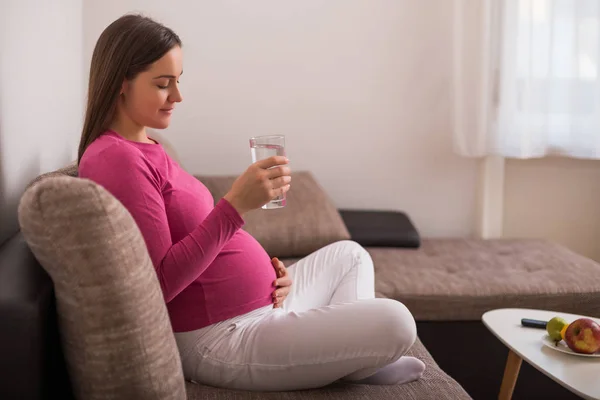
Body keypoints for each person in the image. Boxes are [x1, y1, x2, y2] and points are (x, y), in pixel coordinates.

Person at [77, 14, 425, 392]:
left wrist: (269, 275)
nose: (178, 97)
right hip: (219, 337)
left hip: (261, 309)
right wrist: (234, 206)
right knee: (397, 321)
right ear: (121, 84)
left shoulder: (147, 147)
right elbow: (158, 285)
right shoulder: (116, 160)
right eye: (163, 85)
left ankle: (352, 359)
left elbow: (196, 238)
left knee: (350, 255)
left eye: (178, 81)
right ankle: (356, 363)